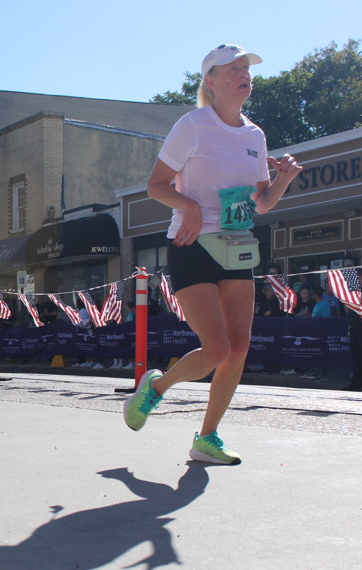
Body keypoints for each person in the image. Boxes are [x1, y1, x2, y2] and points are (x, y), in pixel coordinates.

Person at [124, 44, 303, 465]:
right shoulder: (193, 125)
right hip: (192, 244)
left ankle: (207, 438)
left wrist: (283, 180)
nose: (244, 75)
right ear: (211, 80)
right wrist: (188, 206)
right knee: (217, 349)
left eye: (246, 69)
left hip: (236, 245)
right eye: (234, 69)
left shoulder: (255, 135)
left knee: (238, 348)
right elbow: (156, 186)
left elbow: (261, 202)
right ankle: (156, 388)